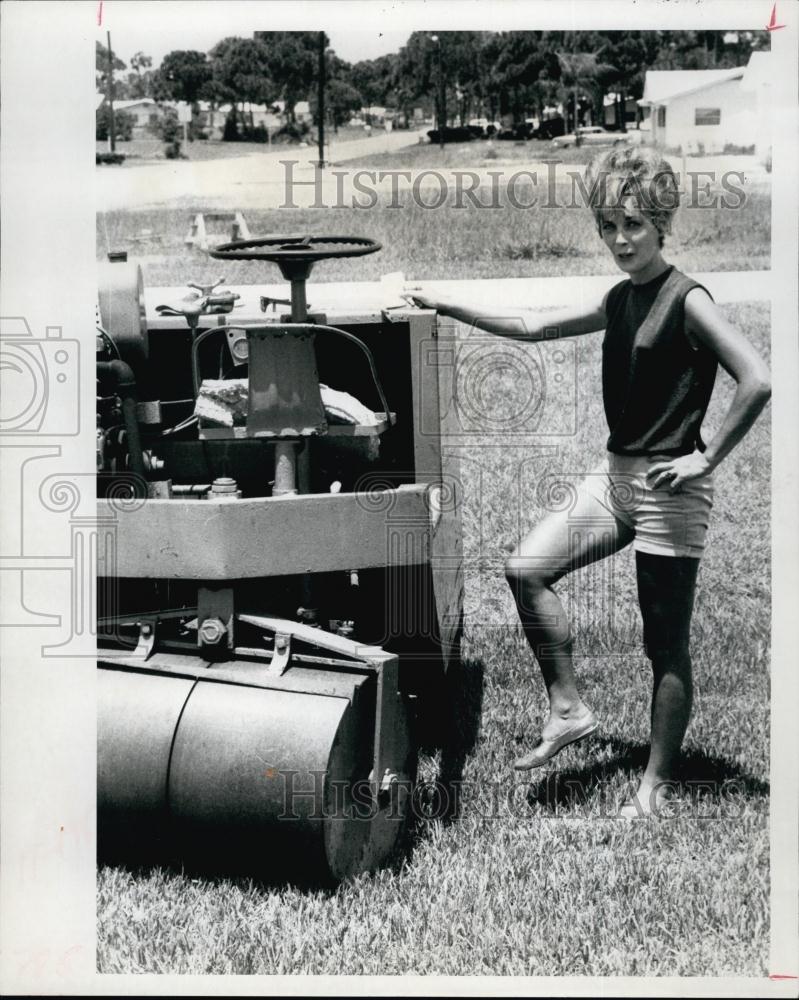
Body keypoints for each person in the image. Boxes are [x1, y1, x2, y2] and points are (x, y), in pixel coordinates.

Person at [409, 146, 771, 818]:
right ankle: (568, 708)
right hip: (615, 475)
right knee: (525, 569)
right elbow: (532, 326)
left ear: (661, 222)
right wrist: (444, 302)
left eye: (632, 224)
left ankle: (655, 785)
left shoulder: (686, 299)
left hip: (670, 488)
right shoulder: (619, 297)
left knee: (663, 643)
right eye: (607, 226)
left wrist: (705, 457)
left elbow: (757, 377)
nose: (619, 240)